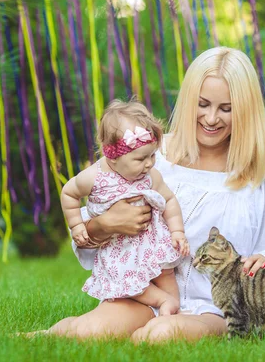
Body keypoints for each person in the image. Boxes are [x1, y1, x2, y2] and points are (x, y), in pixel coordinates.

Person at [35, 47, 265, 342]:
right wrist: (106, 223)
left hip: (218, 308)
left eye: (226, 108)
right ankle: (35, 336)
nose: (211, 118)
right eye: (203, 104)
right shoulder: (151, 155)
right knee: (89, 332)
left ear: (245, 109)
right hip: (145, 295)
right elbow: (86, 230)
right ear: (189, 101)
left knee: (158, 337)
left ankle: (161, 328)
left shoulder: (263, 166)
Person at [61, 100, 190, 316]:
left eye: (152, 156)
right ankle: (161, 300)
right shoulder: (94, 177)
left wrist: (177, 231)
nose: (149, 164)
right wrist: (76, 225)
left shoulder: (151, 175)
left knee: (165, 272)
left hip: (152, 243)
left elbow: (169, 200)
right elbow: (68, 193)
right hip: (121, 250)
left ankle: (171, 310)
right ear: (112, 156)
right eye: (140, 159)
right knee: (125, 279)